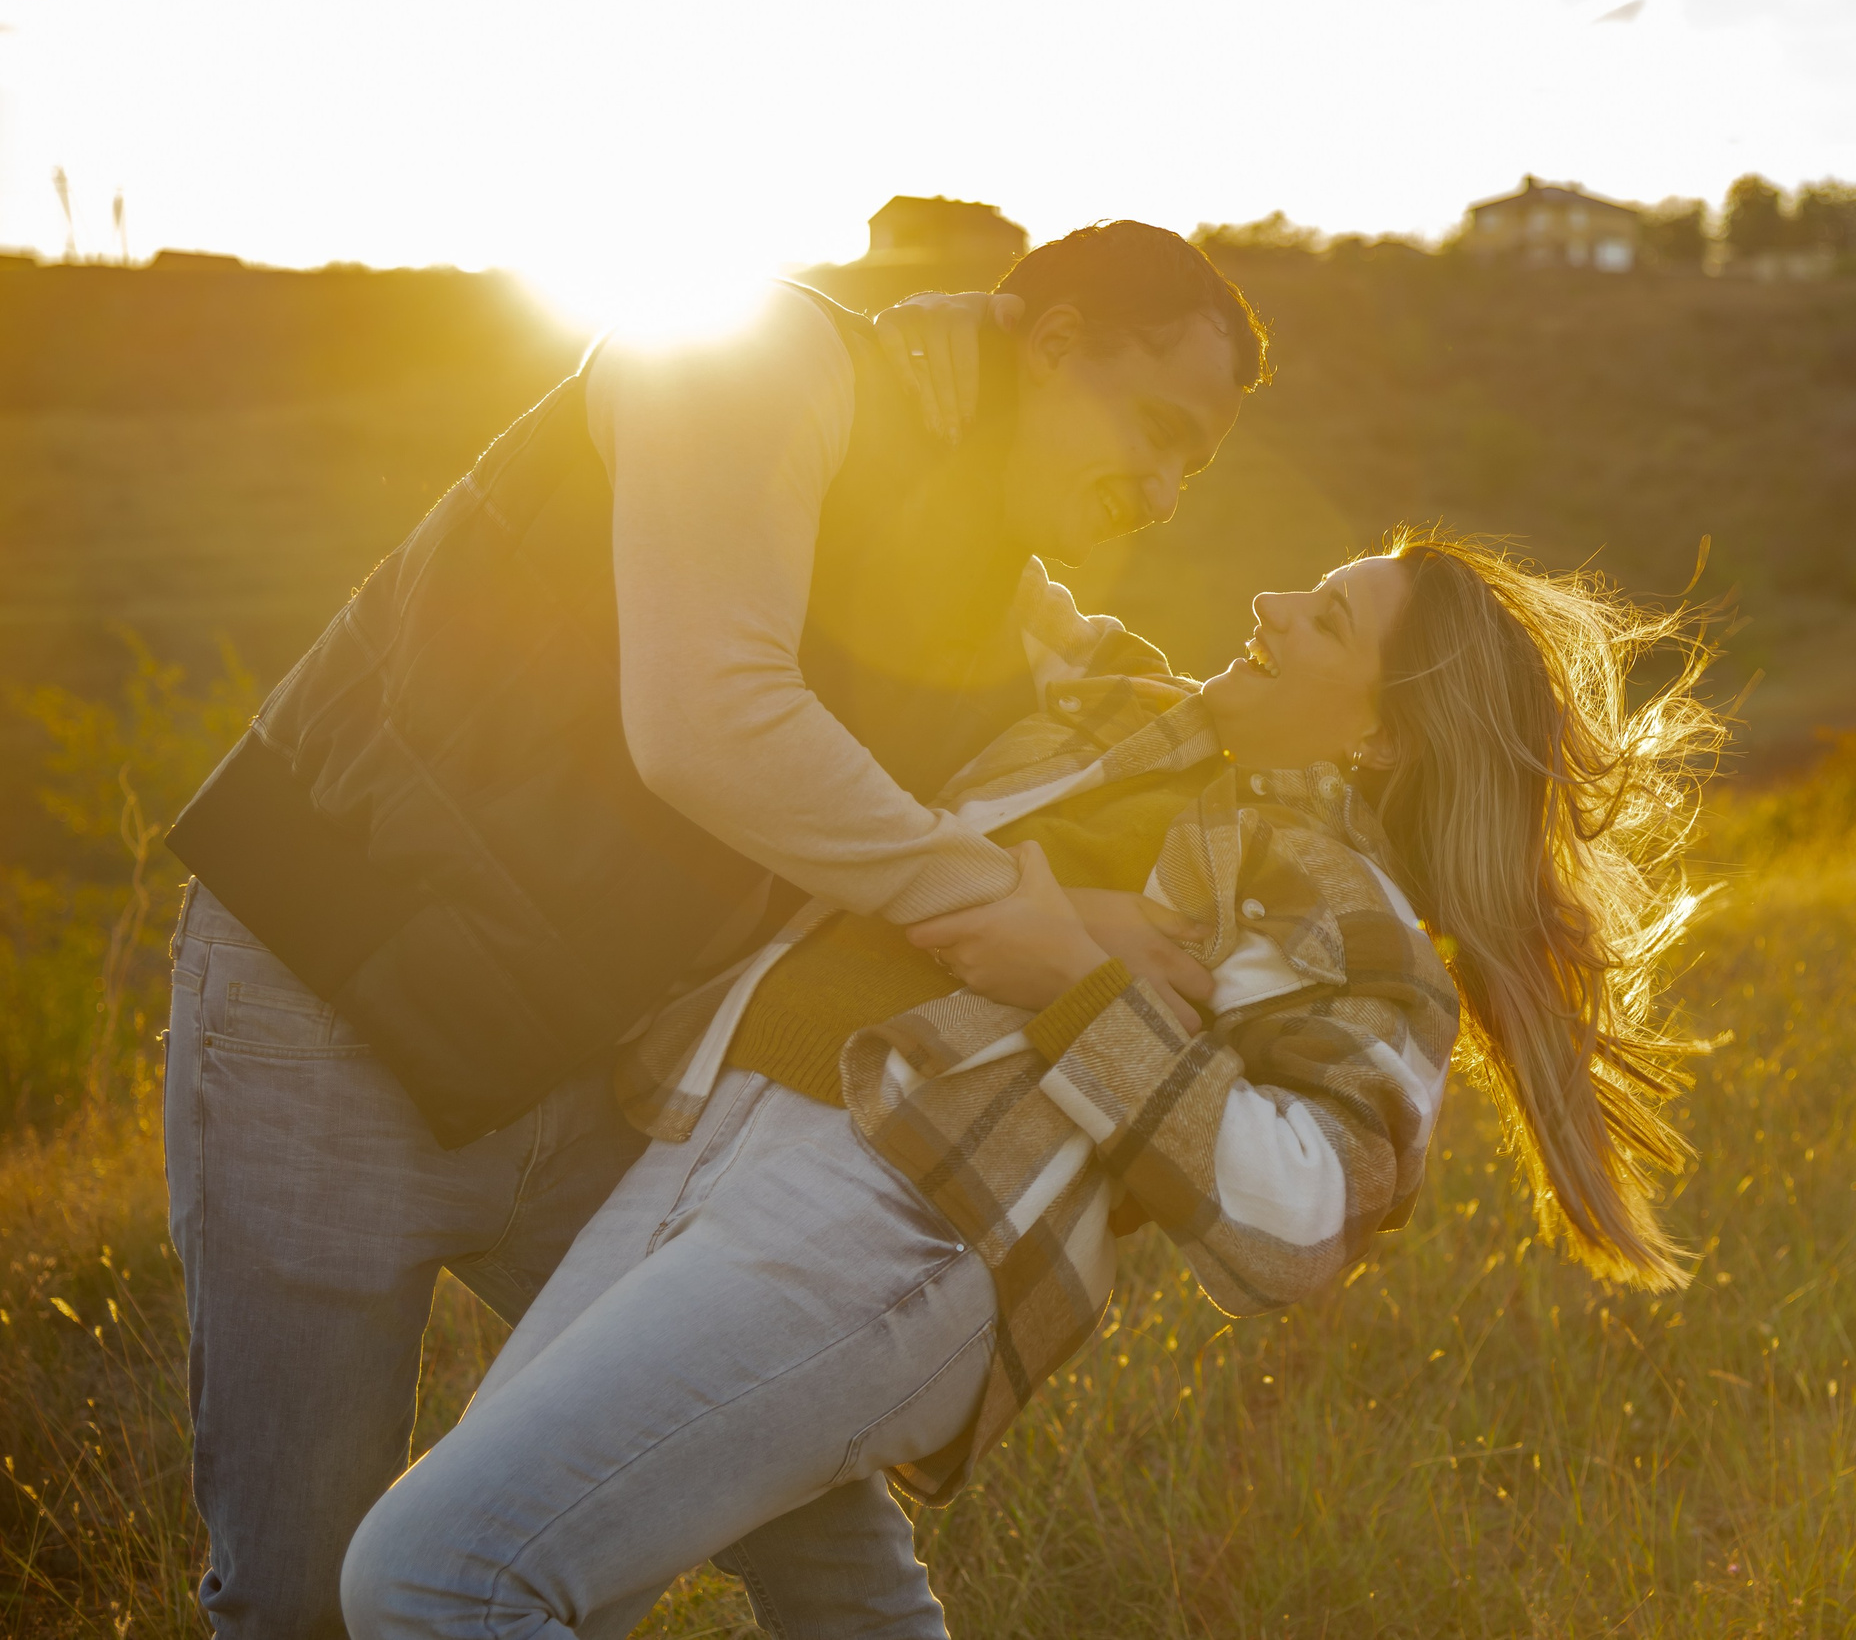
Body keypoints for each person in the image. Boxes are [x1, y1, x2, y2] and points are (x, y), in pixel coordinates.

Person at [160, 222, 1269, 1638]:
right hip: (325, 1017)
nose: (1168, 491)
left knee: (824, 1542)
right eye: (1159, 428)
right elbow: (712, 723)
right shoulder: (752, 362)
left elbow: (1159, 724)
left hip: (579, 1076)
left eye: (1197, 465)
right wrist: (1005, 908)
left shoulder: (996, 581)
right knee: (302, 1595)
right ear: (1051, 345)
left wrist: (1390, 760)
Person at [337, 534, 1720, 1638]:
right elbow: (984, 545)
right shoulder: (1126, 714)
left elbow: (1301, 1218)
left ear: (1377, 740)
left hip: (898, 1220)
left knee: (430, 1576)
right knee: (511, 1572)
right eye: (1310, 581)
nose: (1273, 598)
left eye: (1329, 621)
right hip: (714, 1144)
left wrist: (1075, 975)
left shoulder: (1339, 910)